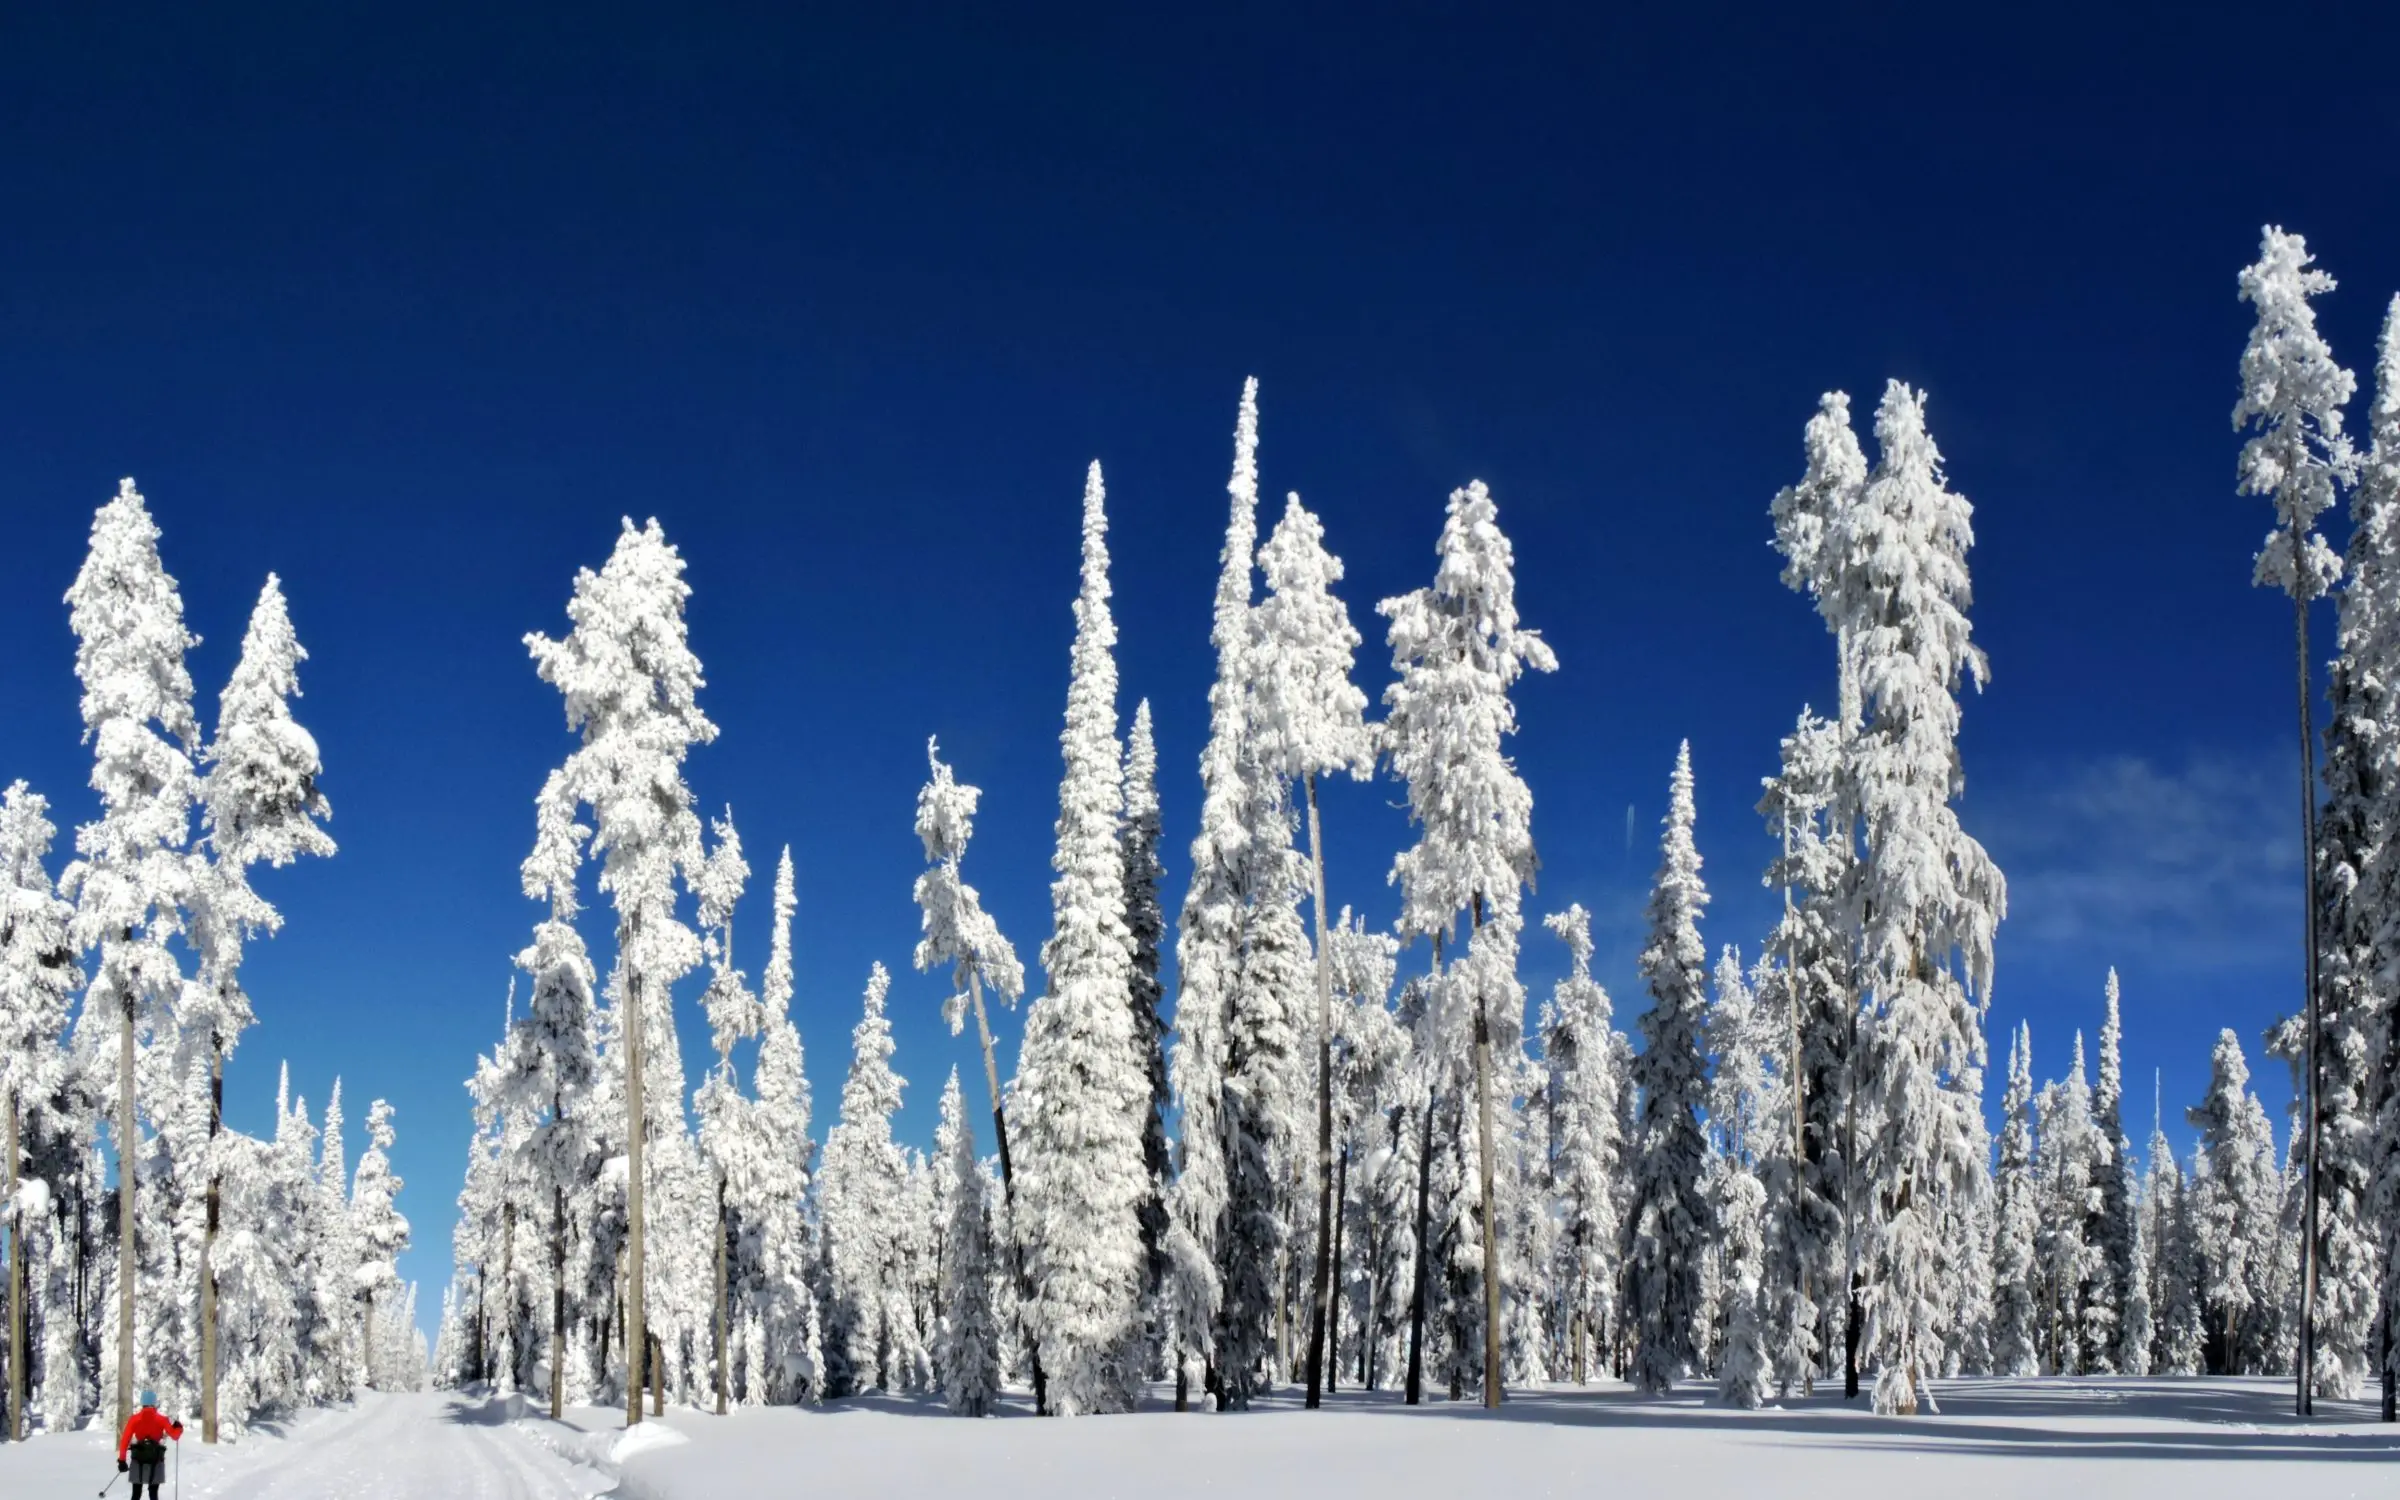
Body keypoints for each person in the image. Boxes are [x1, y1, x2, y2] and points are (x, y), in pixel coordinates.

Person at [116, 1391, 183, 1500]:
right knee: (153, 1493)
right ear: (154, 1402)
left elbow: (125, 1440)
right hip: (156, 1459)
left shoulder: (134, 1419)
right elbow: (175, 1436)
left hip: (138, 1458)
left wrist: (122, 1460)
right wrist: (178, 1427)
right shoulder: (162, 1419)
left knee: (136, 1494)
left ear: (142, 1402)